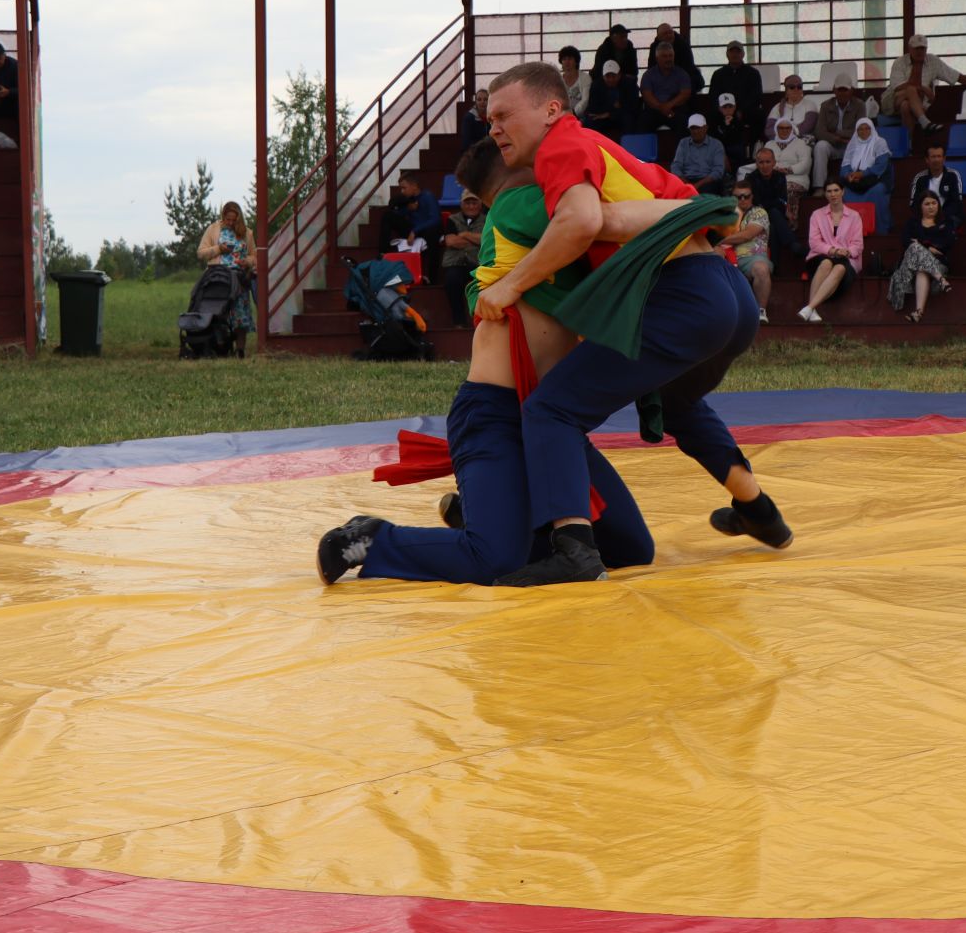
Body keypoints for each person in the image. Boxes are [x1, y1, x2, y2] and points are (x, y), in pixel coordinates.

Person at [471, 62, 787, 585]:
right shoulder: (600, 150)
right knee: (678, 401)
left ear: (552, 110)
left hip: (685, 295)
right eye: (489, 119)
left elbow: (582, 222)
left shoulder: (561, 146)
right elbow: (673, 213)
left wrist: (510, 285)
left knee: (551, 410)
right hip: (726, 295)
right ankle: (759, 511)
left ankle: (573, 548)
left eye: (504, 115)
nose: (493, 127)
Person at [318, 138, 665, 588]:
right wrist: (691, 205)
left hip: (550, 421)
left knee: (631, 549)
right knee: (492, 560)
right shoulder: (521, 204)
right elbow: (599, 218)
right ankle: (376, 538)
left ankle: (497, 521)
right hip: (496, 415)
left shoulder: (512, 232)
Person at [883, 34, 966, 130]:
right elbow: (897, 87)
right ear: (910, 49)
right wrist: (923, 88)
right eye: (916, 48)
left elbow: (954, 75)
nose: (919, 51)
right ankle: (926, 123)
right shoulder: (900, 62)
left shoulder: (933, 61)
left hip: (917, 103)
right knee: (910, 90)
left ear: (926, 49)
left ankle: (909, 144)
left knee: (905, 106)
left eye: (922, 48)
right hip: (894, 100)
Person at [800, 179, 863, 324]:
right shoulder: (817, 215)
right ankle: (812, 309)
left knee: (840, 267)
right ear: (825, 194)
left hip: (847, 259)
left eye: (836, 190)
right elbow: (814, 243)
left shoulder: (854, 216)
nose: (833, 194)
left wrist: (846, 252)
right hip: (821, 256)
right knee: (826, 263)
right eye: (829, 191)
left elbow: (858, 245)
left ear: (843, 192)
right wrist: (833, 250)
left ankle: (810, 307)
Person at [198, 201, 257, 347]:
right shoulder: (213, 229)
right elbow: (201, 253)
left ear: (239, 218)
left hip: (240, 279)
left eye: (234, 220)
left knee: (240, 315)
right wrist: (219, 249)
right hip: (218, 277)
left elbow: (254, 256)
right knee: (219, 312)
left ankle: (241, 350)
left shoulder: (247, 233)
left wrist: (247, 262)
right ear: (223, 216)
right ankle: (220, 346)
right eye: (228, 219)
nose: (230, 223)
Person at [889, 191, 954, 323]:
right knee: (914, 247)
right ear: (920, 207)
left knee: (922, 270)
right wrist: (929, 247)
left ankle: (918, 312)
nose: (931, 206)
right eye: (927, 204)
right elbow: (906, 241)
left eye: (934, 203)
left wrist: (923, 243)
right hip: (910, 265)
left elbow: (948, 243)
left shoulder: (946, 223)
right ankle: (941, 280)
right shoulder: (912, 223)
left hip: (936, 264)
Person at [814, 76, 874, 193]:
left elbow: (861, 130)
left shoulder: (859, 105)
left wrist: (837, 132)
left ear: (851, 90)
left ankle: (853, 186)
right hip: (834, 144)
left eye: (845, 90)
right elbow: (819, 131)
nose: (842, 93)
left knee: (861, 146)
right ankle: (820, 187)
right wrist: (838, 138)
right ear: (834, 90)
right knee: (820, 146)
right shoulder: (826, 105)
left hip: (851, 145)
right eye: (839, 90)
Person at [724, 180, 772, 323]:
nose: (743, 199)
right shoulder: (726, 214)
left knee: (761, 269)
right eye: (738, 197)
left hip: (753, 257)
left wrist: (719, 240)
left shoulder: (759, 212)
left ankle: (761, 311)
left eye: (746, 196)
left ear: (752, 196)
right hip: (727, 255)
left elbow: (747, 235)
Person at [837, 118, 894, 233]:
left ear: (872, 129)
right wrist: (849, 175)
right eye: (860, 129)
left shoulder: (879, 142)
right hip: (856, 181)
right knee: (843, 192)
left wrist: (862, 174)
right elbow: (845, 166)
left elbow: (881, 165)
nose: (864, 132)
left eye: (867, 128)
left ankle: (880, 229)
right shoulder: (853, 143)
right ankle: (850, 231)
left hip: (875, 180)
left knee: (877, 191)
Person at [438, 190, 485, 328]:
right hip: (455, 261)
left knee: (483, 283)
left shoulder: (487, 218)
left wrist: (464, 234)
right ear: (462, 204)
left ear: (480, 204)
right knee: (452, 281)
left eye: (474, 202)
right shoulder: (452, 219)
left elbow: (486, 240)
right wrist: (474, 239)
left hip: (477, 262)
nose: (471, 206)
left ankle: (481, 320)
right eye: (467, 202)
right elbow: (451, 241)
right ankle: (459, 321)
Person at [378, 171, 442, 255]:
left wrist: (415, 231)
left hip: (424, 230)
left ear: (414, 186)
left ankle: (432, 268)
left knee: (432, 232)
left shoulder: (427, 196)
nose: (402, 191)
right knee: (387, 216)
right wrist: (408, 208)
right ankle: (383, 252)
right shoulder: (406, 199)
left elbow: (435, 219)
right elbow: (396, 212)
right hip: (411, 228)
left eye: (404, 188)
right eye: (401, 188)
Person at [639, 45, 695, 133]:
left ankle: (682, 147)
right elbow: (647, 96)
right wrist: (661, 107)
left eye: (670, 56)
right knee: (642, 123)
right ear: (657, 58)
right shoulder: (648, 75)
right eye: (664, 56)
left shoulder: (682, 73)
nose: (668, 59)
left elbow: (685, 94)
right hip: (654, 110)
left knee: (684, 123)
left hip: (675, 110)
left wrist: (668, 106)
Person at [670, 113, 730, 194]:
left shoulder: (716, 144)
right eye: (692, 128)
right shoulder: (683, 143)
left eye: (698, 128)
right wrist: (685, 182)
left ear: (706, 128)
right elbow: (676, 166)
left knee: (709, 189)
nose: (695, 131)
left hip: (708, 181)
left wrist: (697, 185)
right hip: (686, 180)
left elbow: (718, 171)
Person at [708, 41, 764, 126]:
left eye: (738, 52)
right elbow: (713, 95)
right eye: (732, 52)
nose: (735, 54)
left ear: (743, 54)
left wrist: (741, 110)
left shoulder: (753, 73)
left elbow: (756, 96)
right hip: (723, 110)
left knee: (759, 114)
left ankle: (753, 140)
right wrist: (724, 110)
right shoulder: (718, 74)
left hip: (745, 111)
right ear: (727, 54)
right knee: (710, 116)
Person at [762, 118, 813, 212]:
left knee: (787, 191)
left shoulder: (800, 143)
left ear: (792, 129)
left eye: (787, 128)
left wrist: (787, 170)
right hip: (773, 178)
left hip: (796, 179)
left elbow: (805, 164)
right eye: (781, 128)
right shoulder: (769, 144)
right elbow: (763, 161)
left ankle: (790, 222)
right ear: (776, 129)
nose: (784, 130)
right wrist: (772, 169)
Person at [583, 60, 638, 140]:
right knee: (589, 122)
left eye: (614, 76)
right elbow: (593, 107)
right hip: (602, 116)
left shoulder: (630, 84)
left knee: (629, 119)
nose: (611, 79)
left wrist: (610, 114)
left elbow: (632, 107)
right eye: (607, 76)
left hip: (619, 115)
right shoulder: (596, 85)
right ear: (603, 76)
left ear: (620, 74)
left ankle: (628, 148)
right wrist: (613, 106)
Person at [907, 143, 964, 217]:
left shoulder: (953, 175)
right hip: (925, 217)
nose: (936, 160)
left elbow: (957, 202)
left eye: (939, 156)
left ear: (944, 159)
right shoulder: (919, 178)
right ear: (927, 159)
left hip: (948, 217)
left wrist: (939, 217)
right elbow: (914, 204)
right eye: (933, 157)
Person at [646, 23, 702, 91]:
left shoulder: (682, 44)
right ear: (659, 37)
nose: (669, 35)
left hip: (681, 76)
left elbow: (688, 66)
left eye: (670, 33)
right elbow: (651, 67)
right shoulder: (654, 47)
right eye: (665, 34)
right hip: (662, 77)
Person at [711, 92, 756, 172]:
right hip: (720, 155)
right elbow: (717, 141)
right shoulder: (714, 123)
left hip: (738, 157)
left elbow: (738, 139)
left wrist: (731, 125)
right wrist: (726, 126)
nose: (728, 109)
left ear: (735, 107)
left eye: (730, 106)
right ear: (719, 108)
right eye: (725, 107)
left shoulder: (739, 123)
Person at [766, 73, 819, 140]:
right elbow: (769, 130)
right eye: (792, 87)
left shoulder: (810, 105)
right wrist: (783, 137)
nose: (796, 89)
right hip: (780, 141)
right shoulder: (778, 107)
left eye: (799, 87)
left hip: (802, 141)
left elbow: (806, 128)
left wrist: (785, 133)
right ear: (786, 90)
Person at [557, 46, 592, 118]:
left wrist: (573, 113)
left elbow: (585, 100)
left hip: (581, 115)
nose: (567, 62)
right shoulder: (558, 79)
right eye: (564, 59)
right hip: (562, 114)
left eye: (570, 59)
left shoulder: (585, 78)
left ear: (576, 61)